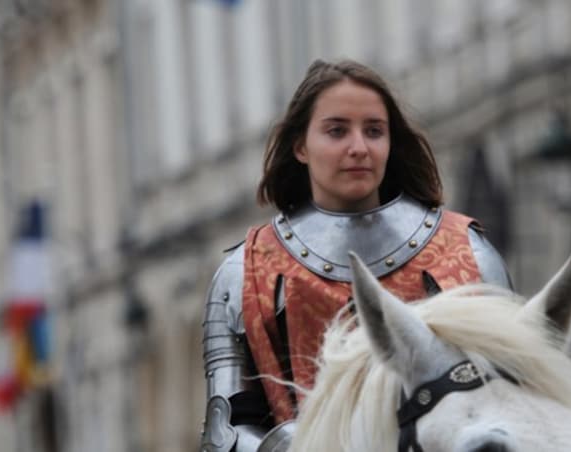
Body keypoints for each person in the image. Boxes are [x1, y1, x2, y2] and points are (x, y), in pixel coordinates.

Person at [199, 59, 512, 452]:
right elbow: (222, 432)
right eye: (336, 131)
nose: (359, 147)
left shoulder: (468, 251)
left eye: (374, 131)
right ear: (300, 146)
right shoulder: (244, 272)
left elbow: (516, 395)